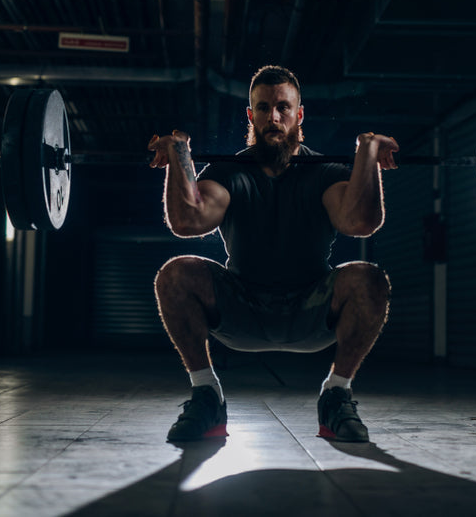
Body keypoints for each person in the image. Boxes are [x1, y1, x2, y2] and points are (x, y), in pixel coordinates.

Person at [147, 65, 396, 443]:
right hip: (242, 308)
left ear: (299, 114)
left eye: (283, 107)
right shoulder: (229, 171)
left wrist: (368, 154)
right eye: (263, 108)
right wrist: (180, 154)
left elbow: (358, 222)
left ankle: (337, 394)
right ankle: (206, 395)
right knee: (175, 273)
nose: (273, 117)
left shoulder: (324, 171)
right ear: (251, 115)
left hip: (311, 310)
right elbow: (188, 221)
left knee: (369, 279)